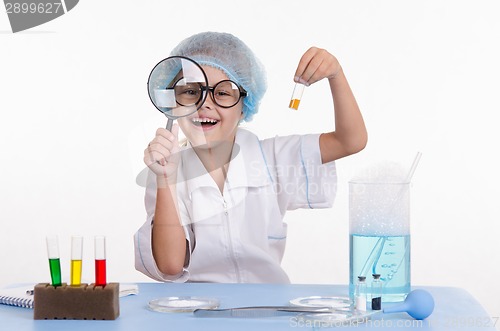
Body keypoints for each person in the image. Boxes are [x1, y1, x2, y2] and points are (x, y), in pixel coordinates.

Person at [134, 31, 367, 283]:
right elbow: (170, 265)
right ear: (172, 102)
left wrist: (336, 74)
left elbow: (350, 140)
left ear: (245, 104)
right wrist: (166, 180)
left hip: (267, 307)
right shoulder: (166, 170)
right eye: (191, 92)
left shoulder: (273, 158)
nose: (205, 104)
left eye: (223, 93)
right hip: (201, 311)